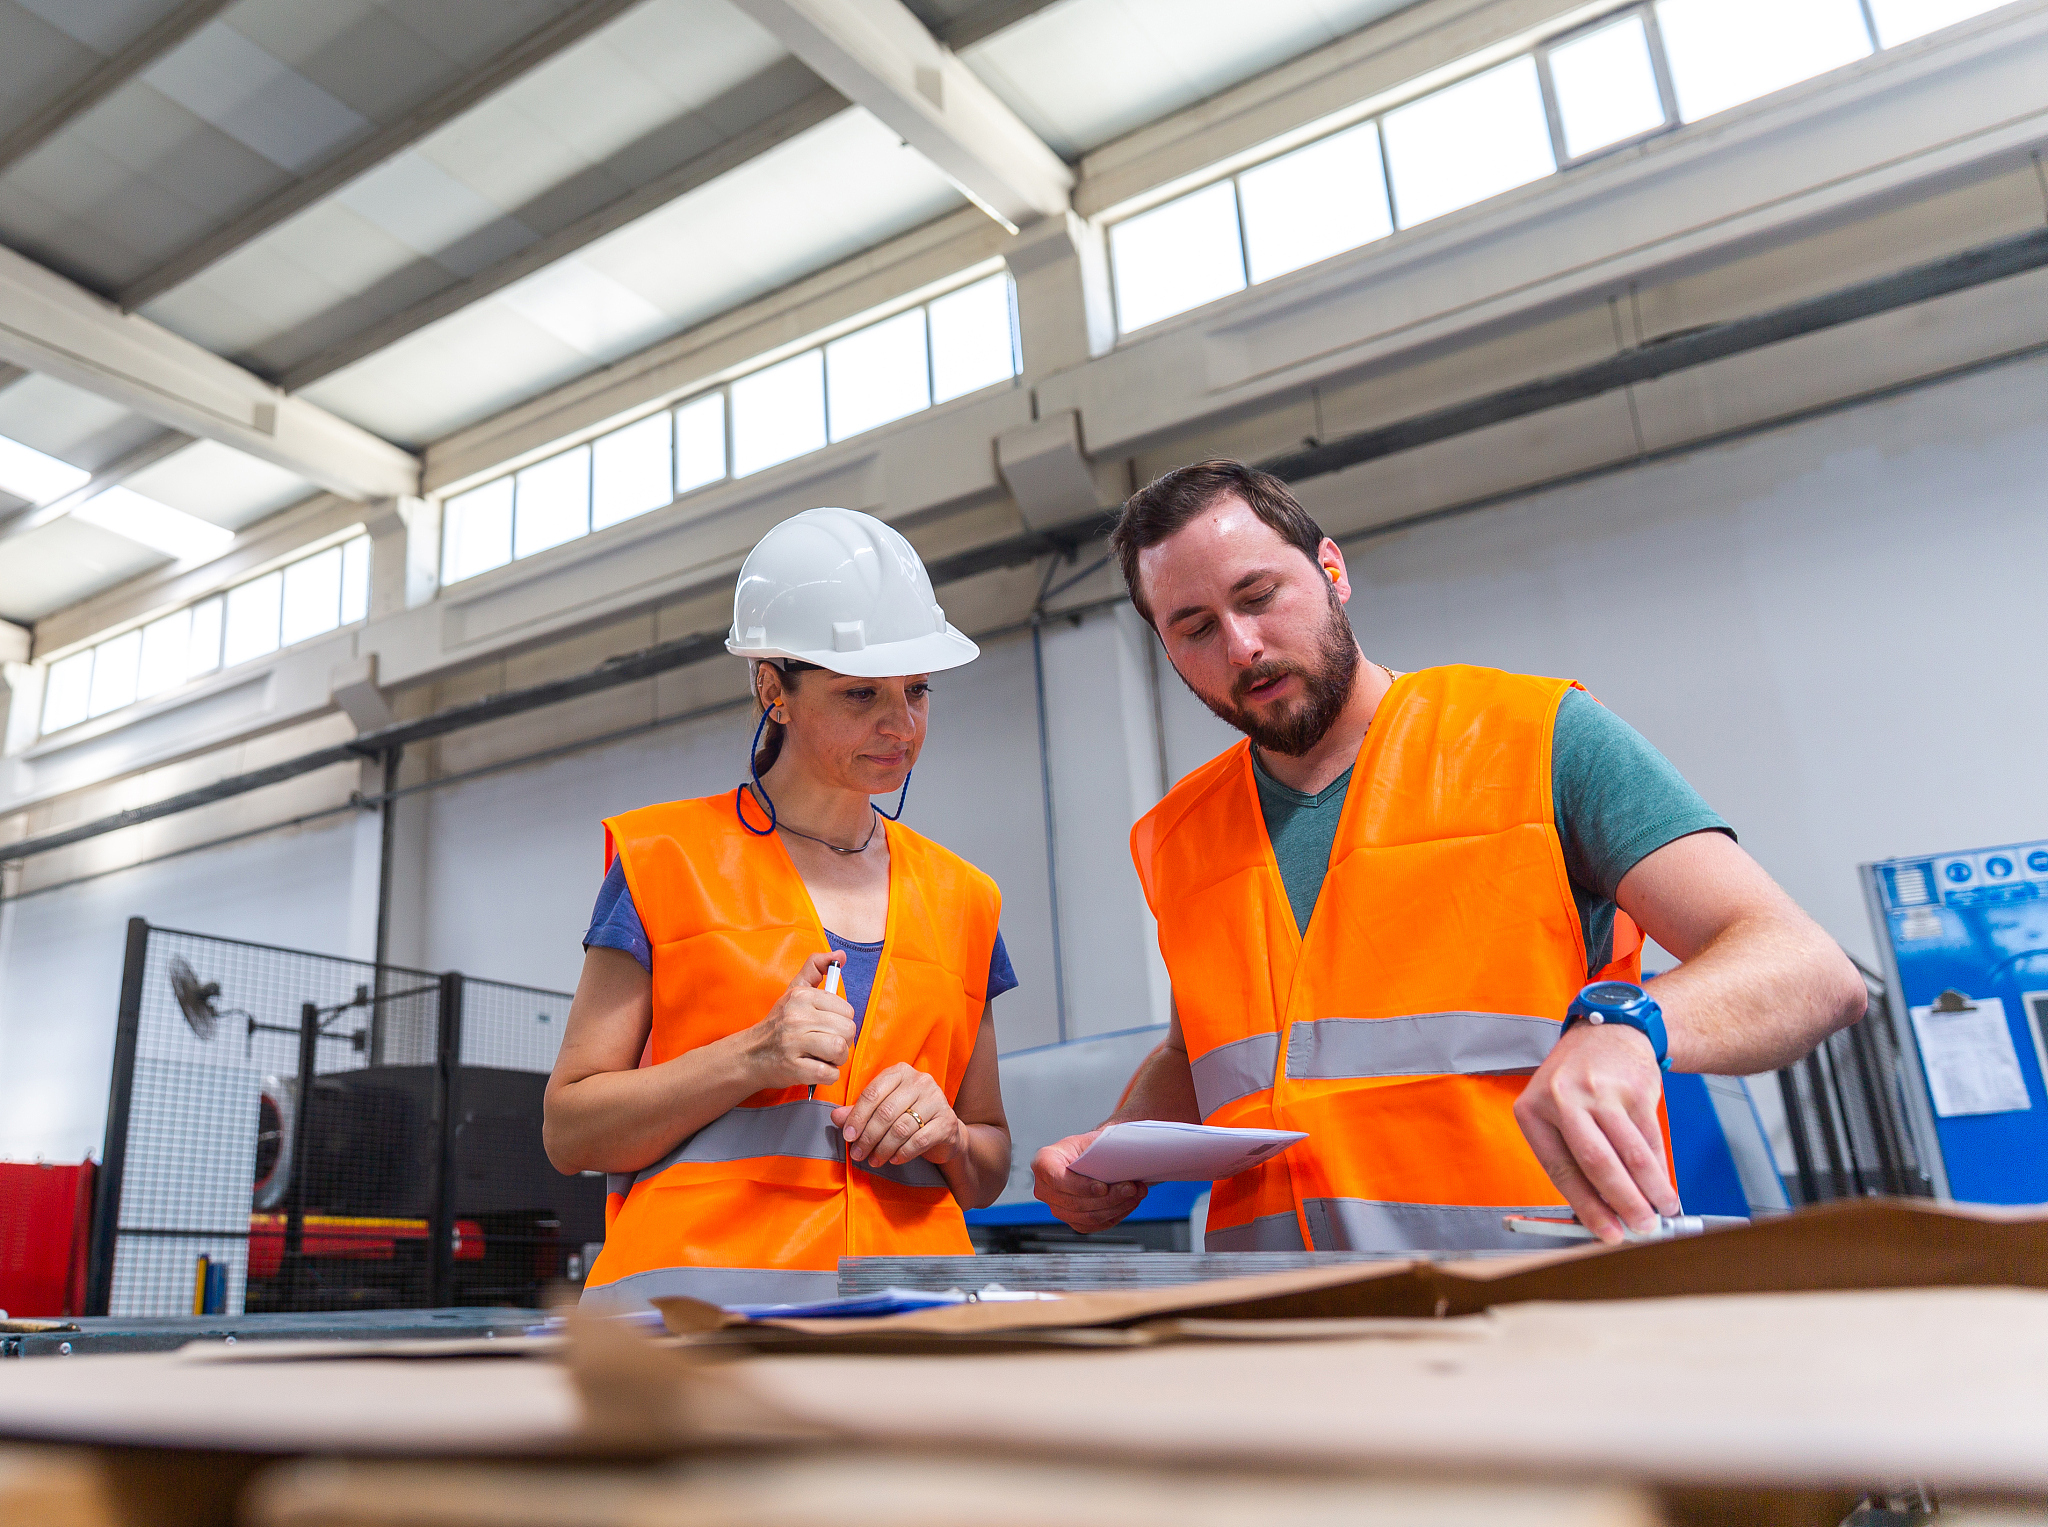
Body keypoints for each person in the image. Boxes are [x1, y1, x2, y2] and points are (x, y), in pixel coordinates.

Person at [1032, 460, 1866, 1249]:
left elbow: (1806, 967)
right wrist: (1113, 1151)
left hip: (1532, 1302)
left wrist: (1631, 1027)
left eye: (1260, 594)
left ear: (1331, 569)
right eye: (1196, 626)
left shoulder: (1538, 738)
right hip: (1286, 1330)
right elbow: (1199, 1053)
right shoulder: (1177, 836)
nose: (1243, 645)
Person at [548, 507, 1016, 1308]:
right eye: (860, 693)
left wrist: (947, 1135)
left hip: (909, 1327)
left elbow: (988, 1163)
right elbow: (571, 1129)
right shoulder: (667, 862)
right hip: (698, 1329)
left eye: (917, 691)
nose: (899, 725)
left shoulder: (964, 897)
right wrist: (751, 1057)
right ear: (774, 688)